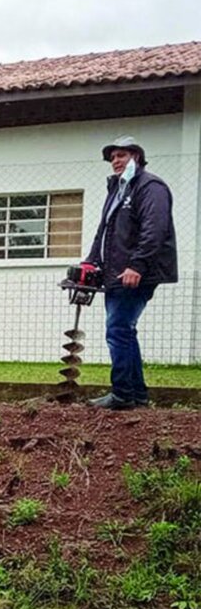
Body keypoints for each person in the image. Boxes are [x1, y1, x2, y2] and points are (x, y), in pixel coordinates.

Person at [85, 136, 177, 410]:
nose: (115, 161)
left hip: (135, 273)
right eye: (112, 157)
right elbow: (104, 231)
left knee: (118, 330)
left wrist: (137, 264)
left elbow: (155, 228)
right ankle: (136, 395)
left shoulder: (150, 187)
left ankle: (123, 394)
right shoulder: (117, 191)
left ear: (136, 157)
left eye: (121, 155)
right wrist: (91, 260)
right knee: (124, 330)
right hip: (115, 272)